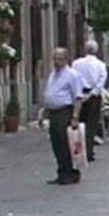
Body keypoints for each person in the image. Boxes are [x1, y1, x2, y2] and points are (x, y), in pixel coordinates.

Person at [41, 47, 84, 185]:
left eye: (59, 58)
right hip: (53, 113)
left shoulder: (72, 75)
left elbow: (77, 97)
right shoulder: (53, 74)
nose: (56, 61)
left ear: (66, 59)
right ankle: (61, 172)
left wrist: (75, 117)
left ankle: (70, 173)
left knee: (66, 144)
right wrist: (44, 112)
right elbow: (50, 94)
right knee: (56, 144)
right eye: (54, 58)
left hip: (64, 112)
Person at [72, 41, 107, 162]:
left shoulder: (76, 63)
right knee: (91, 124)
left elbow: (74, 78)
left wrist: (79, 95)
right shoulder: (101, 65)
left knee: (80, 123)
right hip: (93, 97)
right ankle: (89, 151)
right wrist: (92, 94)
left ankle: (79, 150)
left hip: (79, 94)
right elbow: (101, 82)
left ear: (85, 50)